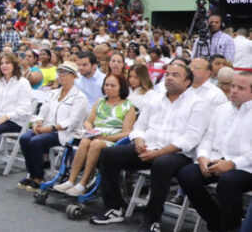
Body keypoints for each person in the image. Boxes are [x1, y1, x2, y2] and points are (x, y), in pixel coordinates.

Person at [90, 64, 210, 231]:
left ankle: (152, 220)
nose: (169, 77)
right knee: (109, 154)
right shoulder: (155, 99)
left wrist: (159, 153)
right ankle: (114, 207)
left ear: (187, 81)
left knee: (162, 164)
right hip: (147, 147)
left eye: (175, 75)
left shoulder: (198, 103)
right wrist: (139, 140)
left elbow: (190, 139)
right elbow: (139, 126)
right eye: (167, 74)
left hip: (178, 154)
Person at [177, 71, 252, 232]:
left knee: (228, 181)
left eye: (240, 88)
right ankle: (216, 222)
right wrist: (203, 157)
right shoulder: (223, 109)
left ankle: (229, 228)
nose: (233, 91)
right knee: (187, 174)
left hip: (246, 167)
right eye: (233, 86)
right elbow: (208, 137)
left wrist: (232, 164)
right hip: (217, 159)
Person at [54, 73, 136, 196]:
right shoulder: (100, 102)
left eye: (113, 85)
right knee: (85, 141)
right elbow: (88, 121)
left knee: (96, 143)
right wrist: (89, 127)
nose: (108, 88)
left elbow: (127, 133)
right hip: (95, 135)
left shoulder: (128, 106)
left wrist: (106, 138)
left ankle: (83, 183)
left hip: (113, 140)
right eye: (106, 85)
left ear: (121, 87)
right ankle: (71, 180)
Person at [19, 61, 88, 191]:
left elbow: (71, 121)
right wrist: (38, 122)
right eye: (60, 72)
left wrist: (49, 128)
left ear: (74, 76)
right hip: (47, 129)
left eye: (65, 72)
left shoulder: (79, 97)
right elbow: (42, 112)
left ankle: (39, 177)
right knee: (24, 138)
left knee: (35, 141)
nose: (61, 75)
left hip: (64, 133)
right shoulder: (53, 93)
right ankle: (32, 174)